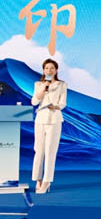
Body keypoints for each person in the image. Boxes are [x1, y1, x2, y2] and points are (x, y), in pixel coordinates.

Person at [31, 58, 67, 194]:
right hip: (40, 119)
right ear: (43, 70)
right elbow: (34, 102)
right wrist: (44, 88)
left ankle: (47, 181)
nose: (49, 70)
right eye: (46, 68)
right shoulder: (38, 84)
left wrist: (55, 106)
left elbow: (63, 103)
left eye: (52, 68)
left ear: (56, 70)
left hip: (54, 119)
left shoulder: (61, 84)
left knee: (50, 152)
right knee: (38, 151)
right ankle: (38, 179)